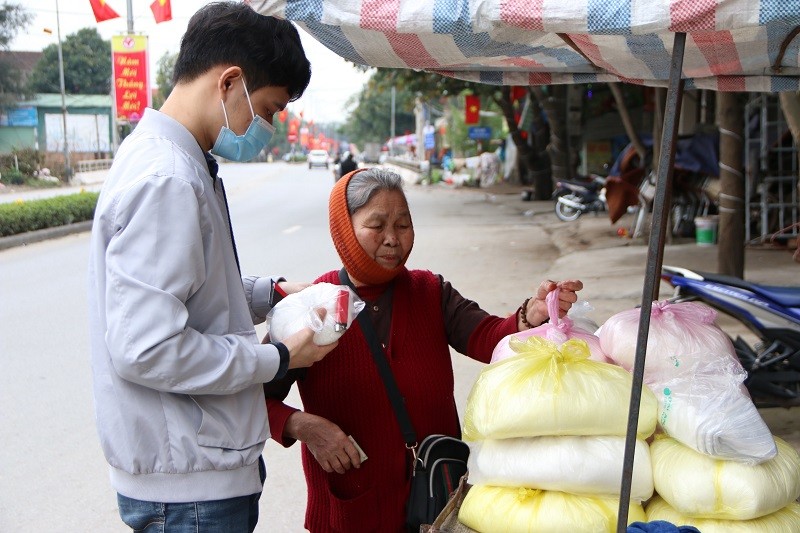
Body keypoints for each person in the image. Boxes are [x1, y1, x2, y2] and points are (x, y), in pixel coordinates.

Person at [87, 3, 336, 531]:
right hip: (190, 487)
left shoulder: (174, 161)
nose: (265, 126)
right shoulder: (168, 179)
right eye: (267, 109)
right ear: (230, 82)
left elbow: (190, 290)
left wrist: (271, 292)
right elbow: (148, 347)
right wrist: (276, 357)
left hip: (195, 471)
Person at [263, 168, 583, 531]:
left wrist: (532, 314)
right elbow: (252, 396)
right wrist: (303, 426)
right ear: (343, 227)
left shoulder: (430, 291)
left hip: (436, 507)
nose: (392, 239)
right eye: (377, 225)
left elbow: (490, 336)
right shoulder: (309, 308)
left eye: (403, 224)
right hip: (352, 512)